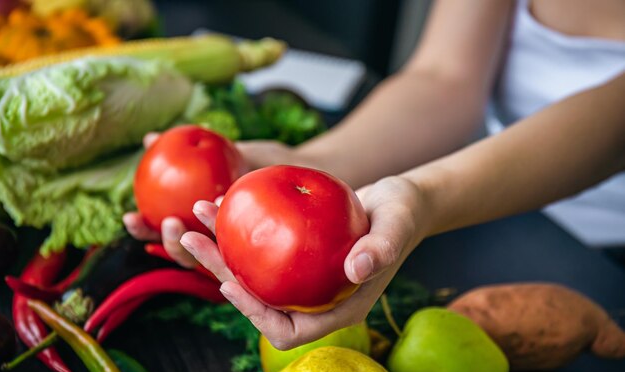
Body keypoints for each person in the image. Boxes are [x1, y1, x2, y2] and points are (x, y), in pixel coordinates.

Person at [125, 0, 625, 350]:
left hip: (604, 251)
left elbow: (612, 131)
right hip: (480, 198)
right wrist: (314, 163)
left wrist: (423, 198)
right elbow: (444, 79)